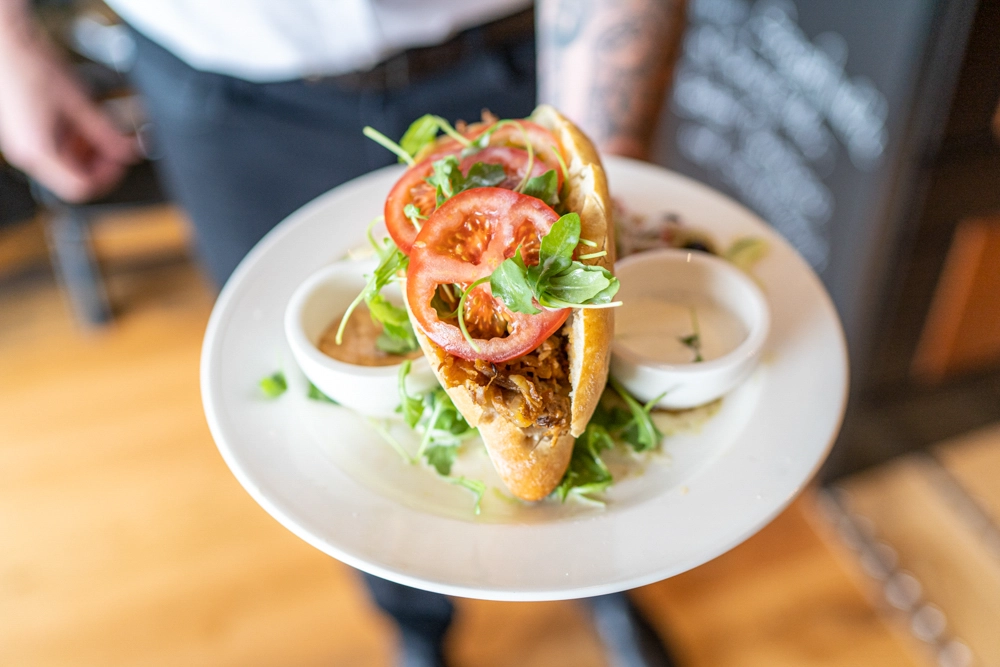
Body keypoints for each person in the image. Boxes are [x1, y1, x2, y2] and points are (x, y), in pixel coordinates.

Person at [0, 1, 685, 665]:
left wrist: (600, 173)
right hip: (223, 97)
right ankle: (416, 627)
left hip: (510, 50)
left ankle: (605, 587)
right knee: (327, 439)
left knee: (586, 451)